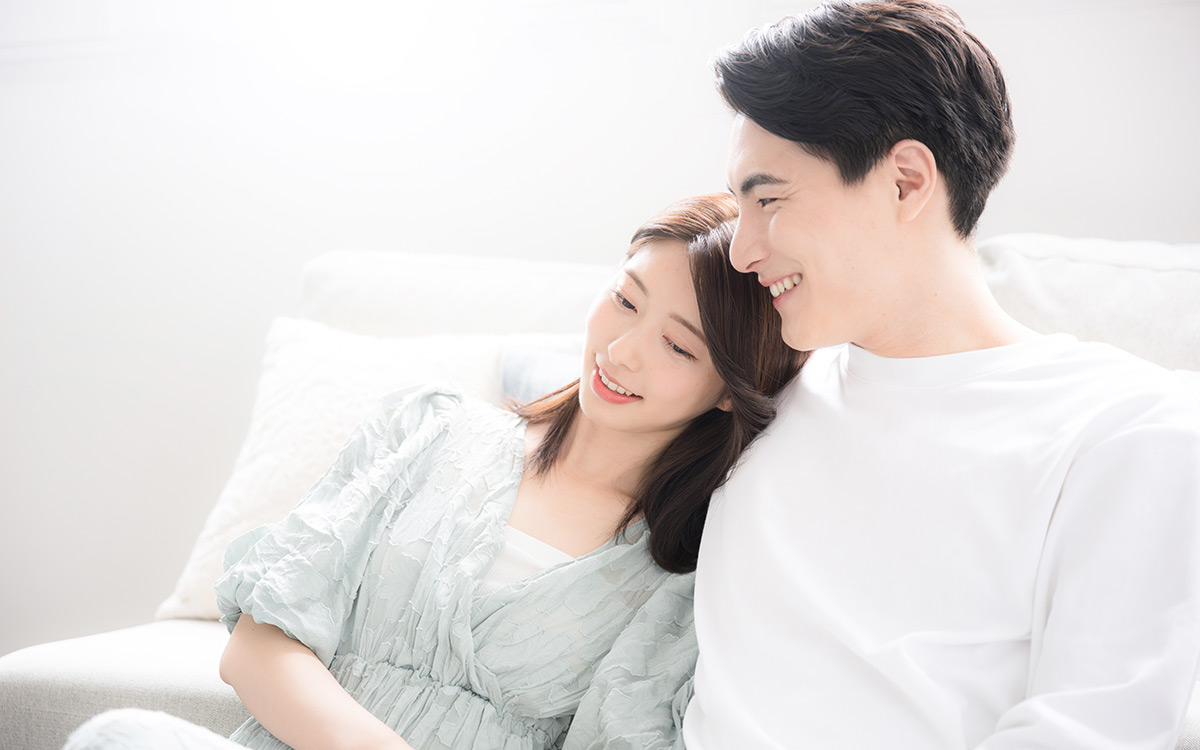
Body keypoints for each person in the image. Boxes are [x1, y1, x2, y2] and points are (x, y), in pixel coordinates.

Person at [61, 193, 803, 750]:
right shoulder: (430, 430)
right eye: (624, 301)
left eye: (678, 347)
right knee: (116, 737)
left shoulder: (679, 575)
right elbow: (256, 648)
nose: (623, 351)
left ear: (728, 389)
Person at [683, 2, 1200, 748]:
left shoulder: (1127, 430)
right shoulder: (758, 386)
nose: (742, 251)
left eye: (769, 200)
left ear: (905, 182)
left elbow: (1090, 729)